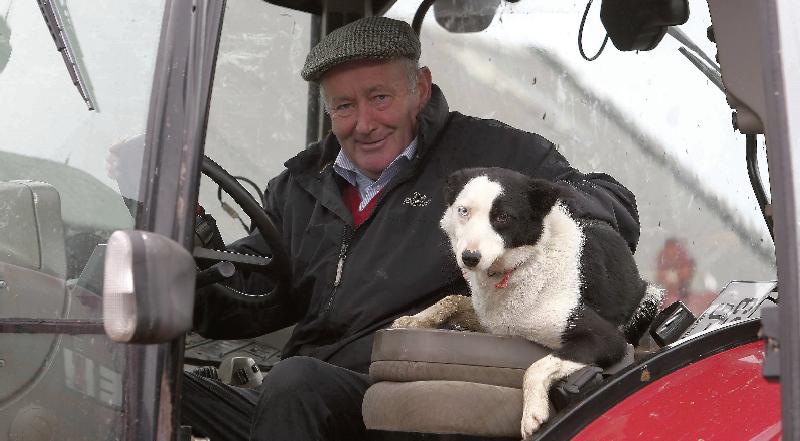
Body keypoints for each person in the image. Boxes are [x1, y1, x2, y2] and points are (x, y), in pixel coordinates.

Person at [181, 16, 640, 441]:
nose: (364, 124)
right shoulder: (302, 186)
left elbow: (604, 199)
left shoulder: (487, 161)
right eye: (344, 106)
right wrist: (184, 254)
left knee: (297, 382)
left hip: (406, 399)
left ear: (420, 88)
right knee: (170, 389)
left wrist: (556, 220)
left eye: (379, 98)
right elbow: (250, 303)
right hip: (300, 398)